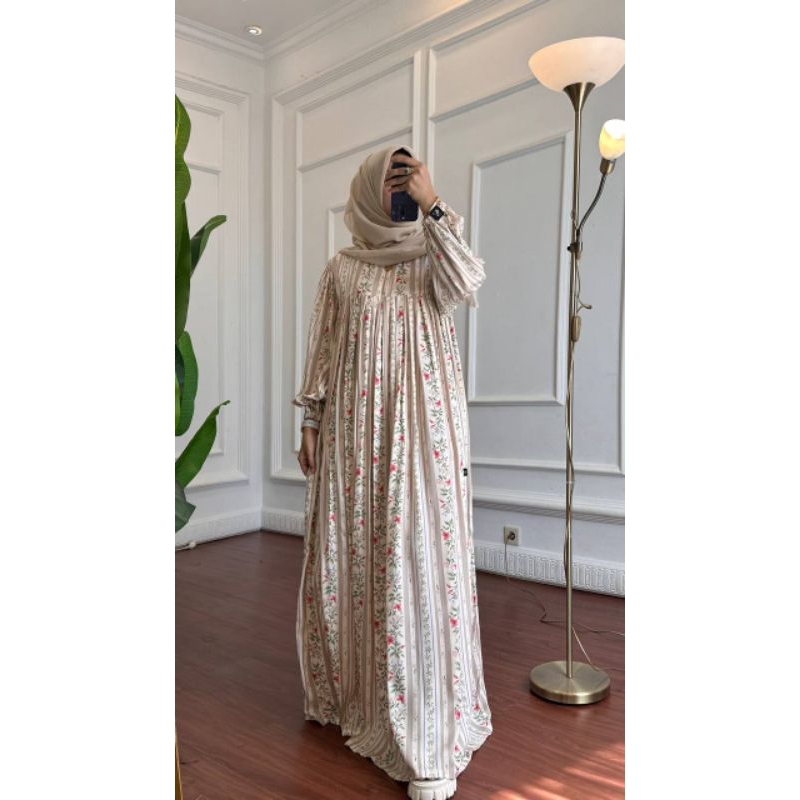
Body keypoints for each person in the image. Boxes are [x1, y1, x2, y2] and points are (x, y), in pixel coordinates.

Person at [293, 144, 492, 800]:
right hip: (355, 435)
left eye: (411, 176)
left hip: (424, 434)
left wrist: (435, 207)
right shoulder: (343, 268)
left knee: (419, 563)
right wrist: (311, 421)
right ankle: (356, 694)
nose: (402, 188)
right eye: (393, 178)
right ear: (367, 190)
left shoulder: (436, 248)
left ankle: (428, 727)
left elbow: (467, 284)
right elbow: (325, 347)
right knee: (358, 555)